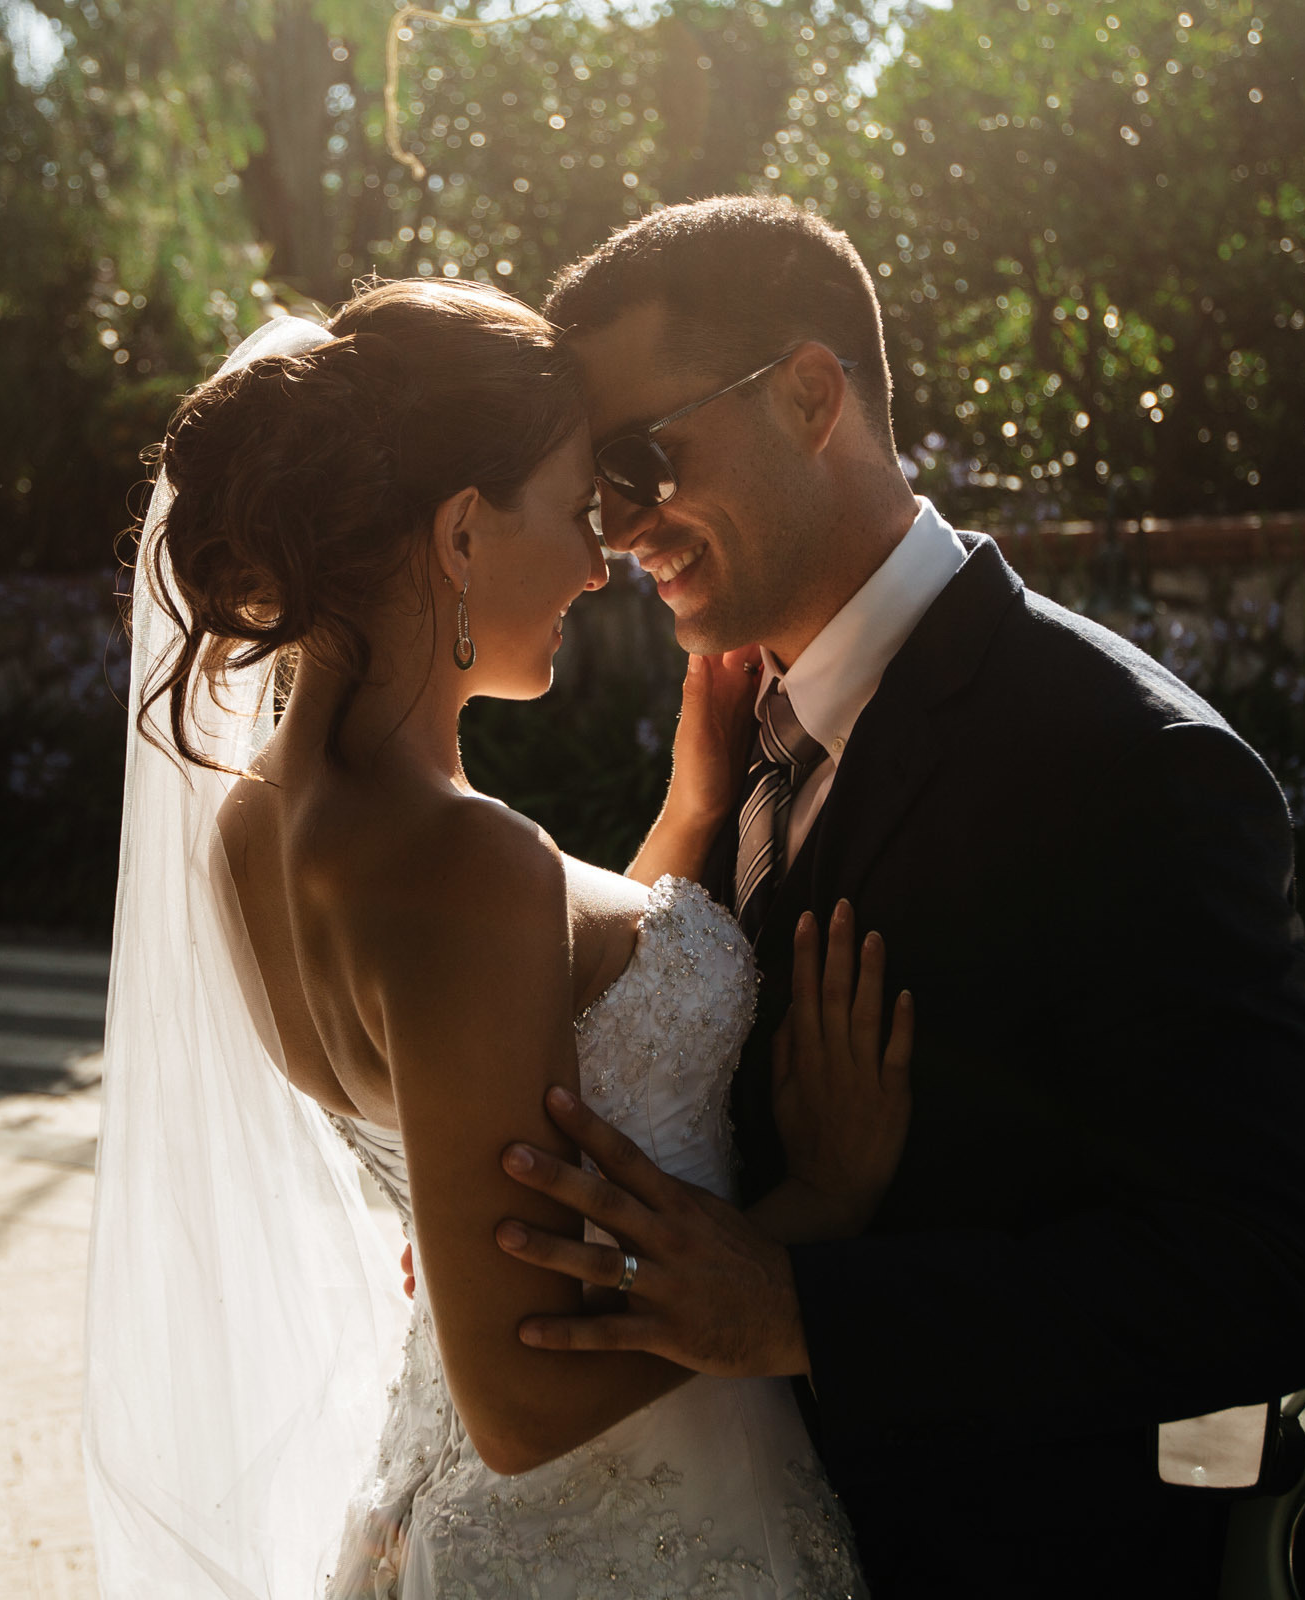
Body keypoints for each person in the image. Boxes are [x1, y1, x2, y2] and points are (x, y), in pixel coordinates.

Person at [487, 195, 1305, 1597]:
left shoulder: (1133, 766)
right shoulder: (723, 738)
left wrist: (806, 1309)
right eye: (600, 488)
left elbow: (1272, 1277)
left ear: (811, 395)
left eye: (645, 461)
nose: (624, 528)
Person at [84, 278, 909, 1599]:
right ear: (463, 533)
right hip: (632, 1536)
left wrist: (692, 811)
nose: (600, 561)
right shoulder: (470, 869)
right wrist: (821, 1210)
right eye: (579, 508)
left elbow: (537, 1021)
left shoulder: (256, 829)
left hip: (454, 1519)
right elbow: (520, 1403)